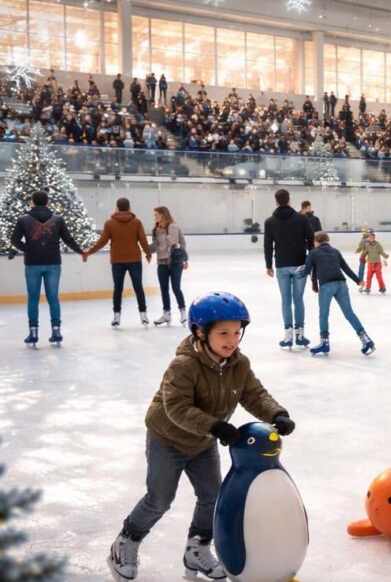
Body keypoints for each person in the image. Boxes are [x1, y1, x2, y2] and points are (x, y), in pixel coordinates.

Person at [107, 292, 295, 582]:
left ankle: (197, 549)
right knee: (159, 499)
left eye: (236, 332)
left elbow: (254, 393)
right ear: (200, 332)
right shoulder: (183, 366)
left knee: (212, 496)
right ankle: (125, 543)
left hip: (203, 442)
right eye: (223, 333)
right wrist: (216, 426)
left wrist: (276, 414)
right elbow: (177, 408)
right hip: (168, 440)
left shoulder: (238, 364)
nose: (231, 340)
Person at [10, 189, 85, 347]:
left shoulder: (23, 220)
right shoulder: (58, 220)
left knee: (33, 299)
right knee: (53, 298)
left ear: (32, 202)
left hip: (32, 264)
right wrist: (81, 251)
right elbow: (68, 240)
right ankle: (56, 331)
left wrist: (28, 249)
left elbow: (14, 240)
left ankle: (33, 333)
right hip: (53, 263)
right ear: (48, 202)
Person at [83, 197, 152, 327]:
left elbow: (102, 241)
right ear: (129, 208)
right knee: (138, 287)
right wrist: (148, 253)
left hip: (117, 260)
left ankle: (116, 317)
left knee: (118, 289)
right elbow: (142, 239)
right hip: (134, 259)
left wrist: (89, 252)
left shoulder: (110, 223)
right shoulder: (136, 222)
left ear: (117, 208)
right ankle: (143, 316)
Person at [305, 231, 375, 356]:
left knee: (324, 315)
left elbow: (307, 271)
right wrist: (358, 280)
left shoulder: (313, 252)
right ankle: (366, 339)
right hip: (341, 284)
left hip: (326, 285)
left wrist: (295, 272)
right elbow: (345, 268)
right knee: (349, 313)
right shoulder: (335, 251)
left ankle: (324, 343)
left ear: (316, 242)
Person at [263, 189, 315, 349]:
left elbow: (267, 245)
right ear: (289, 200)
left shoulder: (270, 221)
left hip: (282, 265)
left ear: (276, 201)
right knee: (298, 299)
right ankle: (300, 334)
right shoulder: (301, 218)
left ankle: (288, 335)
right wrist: (311, 261)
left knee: (286, 300)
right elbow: (311, 239)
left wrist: (268, 265)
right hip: (300, 263)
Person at [151, 206, 189, 327]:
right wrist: (143, 250)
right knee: (164, 289)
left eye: (156, 215)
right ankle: (166, 314)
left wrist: (183, 257)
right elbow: (155, 246)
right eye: (154, 215)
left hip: (175, 263)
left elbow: (181, 242)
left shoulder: (173, 226)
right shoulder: (155, 229)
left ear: (163, 215)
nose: (155, 217)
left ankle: (183, 311)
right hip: (161, 263)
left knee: (176, 288)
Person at [356, 229, 389, 294]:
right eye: (370, 237)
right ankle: (368, 288)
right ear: (368, 237)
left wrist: (386, 256)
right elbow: (365, 252)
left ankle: (382, 287)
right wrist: (362, 256)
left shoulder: (377, 244)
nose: (371, 238)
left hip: (377, 263)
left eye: (372, 237)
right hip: (370, 263)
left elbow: (381, 252)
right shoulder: (367, 245)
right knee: (368, 276)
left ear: (374, 238)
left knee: (379, 276)